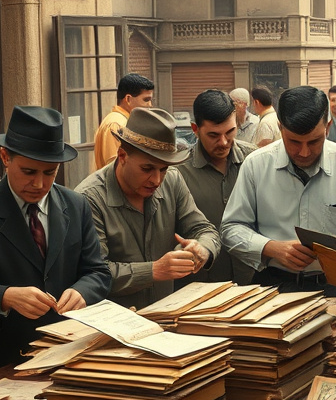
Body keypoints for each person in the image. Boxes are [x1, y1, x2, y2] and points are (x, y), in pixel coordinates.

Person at [0, 106, 111, 369]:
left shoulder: (76, 204)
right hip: (5, 360)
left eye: (50, 172)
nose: (40, 184)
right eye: (29, 172)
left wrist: (82, 292)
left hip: (73, 352)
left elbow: (98, 272)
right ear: (5, 157)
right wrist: (6, 296)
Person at [222, 86, 336, 294]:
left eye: (314, 141)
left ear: (328, 127)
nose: (304, 152)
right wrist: (271, 248)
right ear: (280, 128)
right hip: (274, 286)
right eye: (294, 142)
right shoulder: (256, 165)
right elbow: (231, 228)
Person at [76, 107, 220, 310]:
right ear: (122, 155)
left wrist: (203, 249)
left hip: (166, 317)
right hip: (113, 326)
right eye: (147, 169)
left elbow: (205, 230)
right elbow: (94, 274)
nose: (157, 180)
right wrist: (154, 270)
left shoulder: (172, 180)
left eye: (164, 169)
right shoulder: (88, 198)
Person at [176, 89, 256, 285]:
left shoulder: (255, 161)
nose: (223, 142)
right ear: (194, 129)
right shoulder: (176, 173)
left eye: (230, 132)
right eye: (213, 135)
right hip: (200, 286)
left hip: (254, 283)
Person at [93, 74, 154, 169]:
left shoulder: (124, 122)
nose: (150, 105)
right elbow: (115, 167)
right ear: (128, 99)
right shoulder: (116, 124)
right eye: (146, 100)